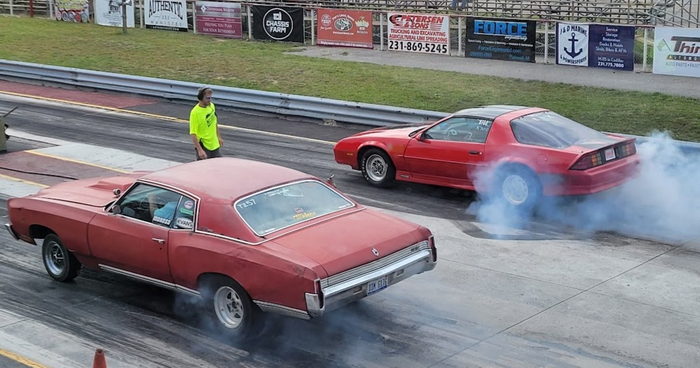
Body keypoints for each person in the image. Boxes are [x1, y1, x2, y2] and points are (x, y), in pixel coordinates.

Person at [189, 87, 223, 160]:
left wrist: (219, 137)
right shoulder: (195, 113)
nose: (209, 100)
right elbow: (193, 133)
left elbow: (215, 122)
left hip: (214, 145)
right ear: (200, 98)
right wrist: (200, 150)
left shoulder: (211, 106)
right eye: (207, 98)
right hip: (204, 147)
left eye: (210, 98)